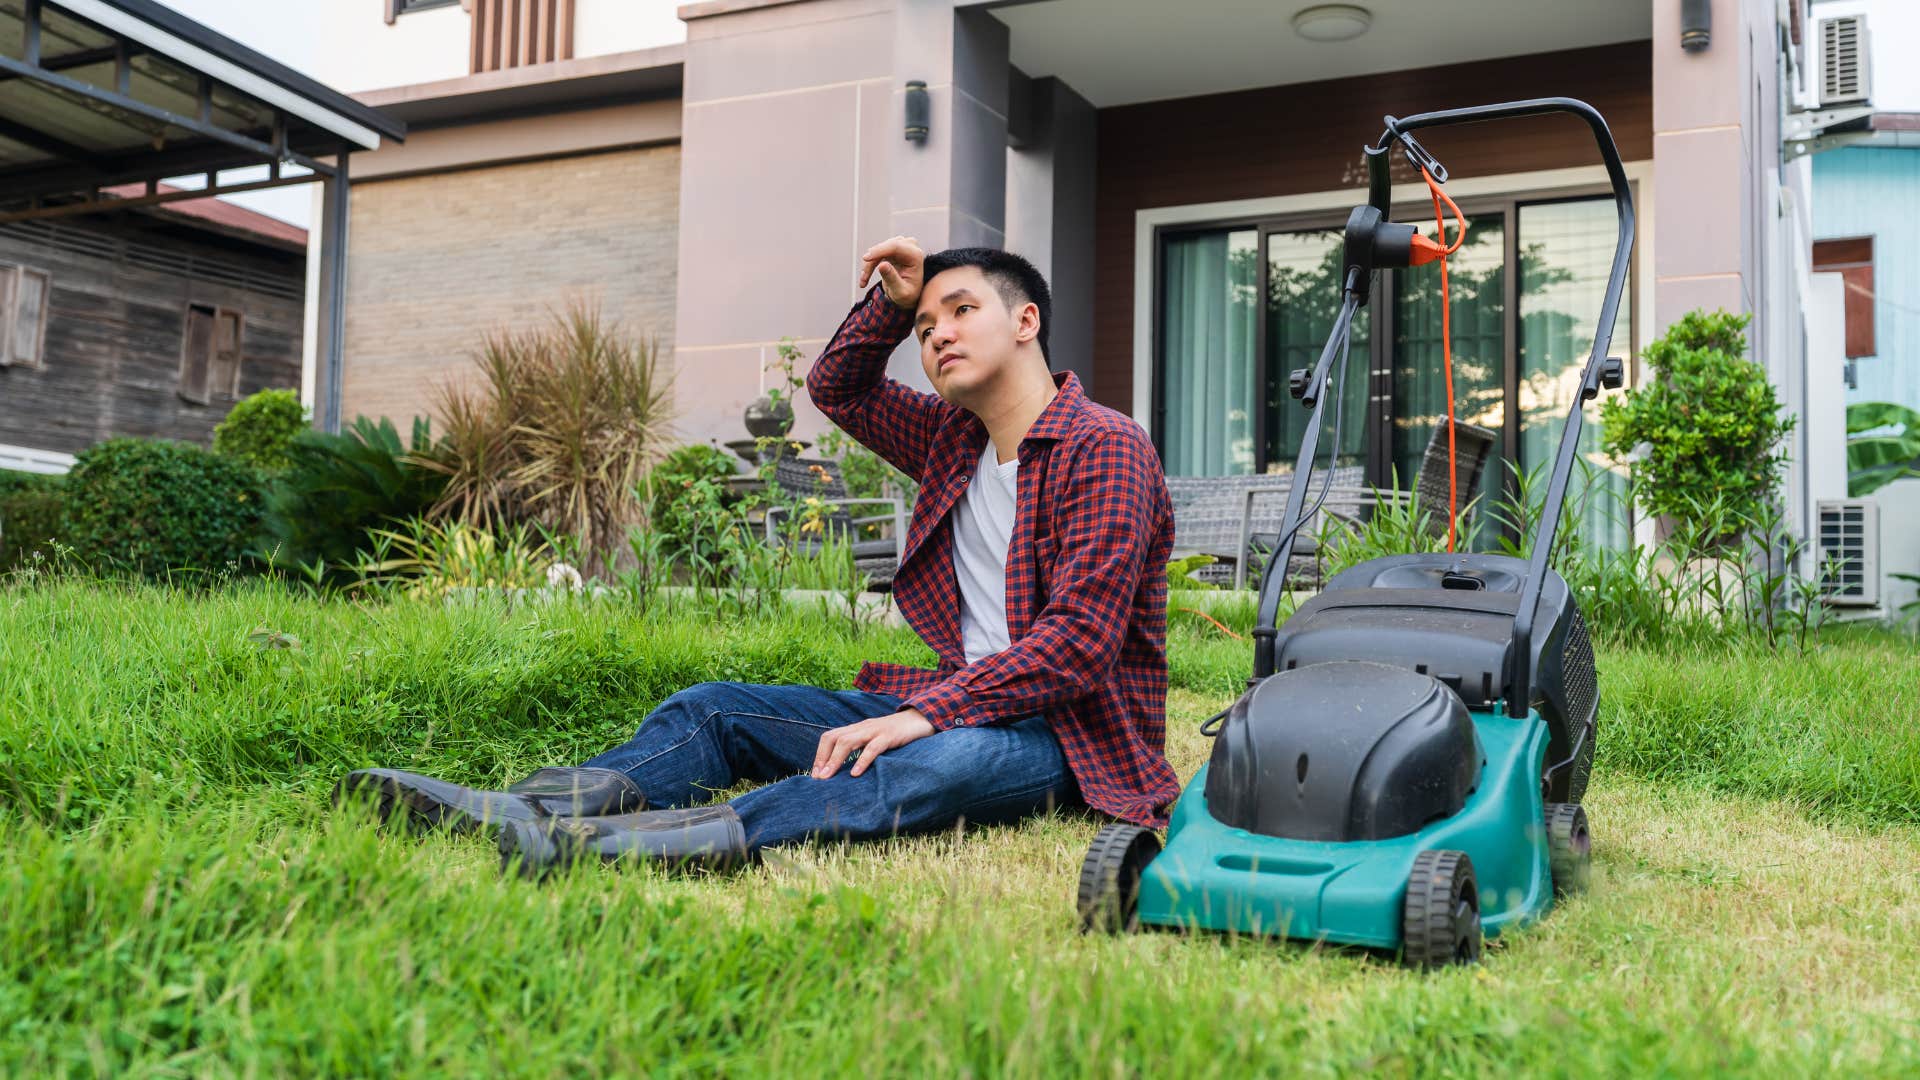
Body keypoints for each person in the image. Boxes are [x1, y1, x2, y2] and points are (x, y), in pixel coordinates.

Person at [336, 237, 1182, 875]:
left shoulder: (1103, 447)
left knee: (932, 764)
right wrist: (891, 306)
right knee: (714, 708)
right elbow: (837, 388)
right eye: (927, 326)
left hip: (1068, 735)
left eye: (961, 311)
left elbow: (1078, 643)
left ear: (1026, 321)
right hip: (958, 700)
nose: (938, 335)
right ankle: (524, 808)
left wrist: (927, 713)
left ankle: (614, 847)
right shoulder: (950, 438)